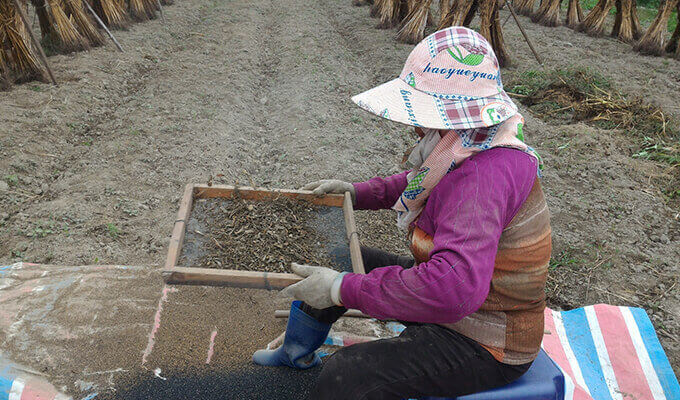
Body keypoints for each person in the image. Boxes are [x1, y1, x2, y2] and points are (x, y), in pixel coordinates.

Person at [252, 27, 552, 400]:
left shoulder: (482, 179)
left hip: (484, 337)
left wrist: (339, 288)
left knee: (347, 376)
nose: (414, 125)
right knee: (340, 257)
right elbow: (421, 181)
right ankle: (294, 354)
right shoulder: (472, 139)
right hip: (461, 299)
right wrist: (356, 192)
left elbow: (452, 289)